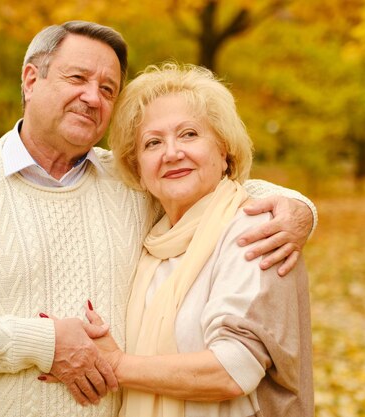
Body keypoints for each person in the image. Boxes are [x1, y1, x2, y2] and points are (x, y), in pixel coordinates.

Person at [0, 21, 315, 417]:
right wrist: (43, 344)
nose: (92, 97)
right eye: (77, 78)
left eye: (108, 88)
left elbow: (203, 184)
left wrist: (296, 207)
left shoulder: (125, 181)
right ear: (31, 79)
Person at [69, 62, 314, 416]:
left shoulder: (255, 230)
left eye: (189, 135)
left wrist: (116, 365)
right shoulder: (152, 242)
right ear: (137, 167)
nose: (172, 153)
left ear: (224, 149)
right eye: (153, 143)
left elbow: (234, 369)